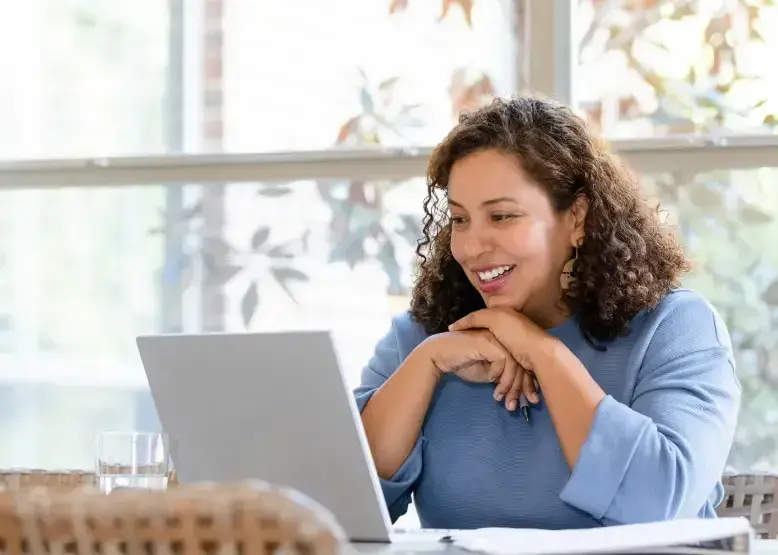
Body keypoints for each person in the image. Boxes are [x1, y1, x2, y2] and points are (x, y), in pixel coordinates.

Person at [353, 97, 741, 530]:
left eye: (502, 216)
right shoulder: (424, 337)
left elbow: (659, 504)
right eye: (460, 219)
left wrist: (545, 354)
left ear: (576, 217)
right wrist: (427, 362)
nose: (470, 246)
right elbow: (333, 509)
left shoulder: (675, 329)